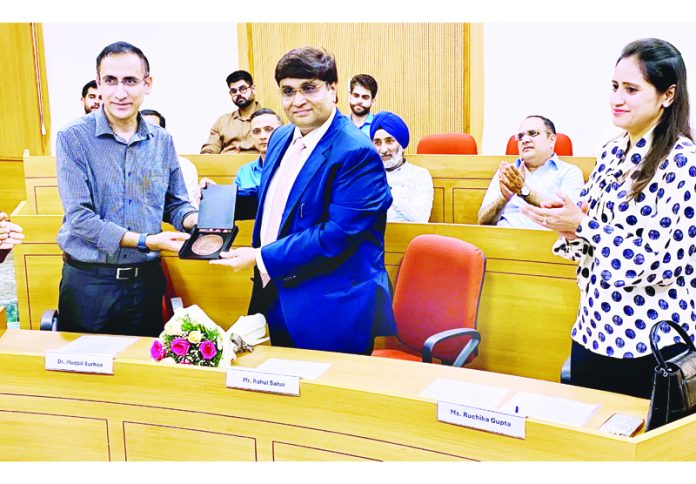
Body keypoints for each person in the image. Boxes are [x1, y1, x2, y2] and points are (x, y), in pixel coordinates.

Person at [521, 38, 696, 398]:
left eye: (631, 89)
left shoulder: (683, 162)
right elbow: (587, 235)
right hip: (593, 329)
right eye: (614, 87)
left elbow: (656, 263)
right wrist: (565, 223)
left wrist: (582, 225)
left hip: (651, 341)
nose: (617, 99)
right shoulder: (612, 149)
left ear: (668, 95)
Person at [211, 46, 396, 355]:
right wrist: (214, 205)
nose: (297, 101)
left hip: (332, 305)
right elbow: (279, 196)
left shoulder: (356, 151)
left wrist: (259, 257)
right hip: (277, 290)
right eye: (288, 91)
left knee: (328, 398)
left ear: (333, 88)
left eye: (308, 88)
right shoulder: (282, 136)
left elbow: (338, 234)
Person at [56, 41, 198, 337]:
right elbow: (80, 219)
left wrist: (195, 220)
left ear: (147, 84)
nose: (120, 92)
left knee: (143, 373)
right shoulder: (73, 138)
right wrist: (147, 241)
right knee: (85, 375)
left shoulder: (162, 140)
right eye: (110, 81)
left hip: (145, 283)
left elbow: (175, 203)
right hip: (90, 282)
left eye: (131, 81)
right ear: (99, 84)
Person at [478, 115, 584, 229]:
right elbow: (483, 221)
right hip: (503, 240)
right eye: (520, 136)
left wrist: (524, 191)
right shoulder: (508, 173)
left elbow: (568, 217)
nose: (525, 140)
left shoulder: (570, 172)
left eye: (533, 133)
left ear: (551, 140)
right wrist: (504, 198)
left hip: (546, 243)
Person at [370, 111, 433, 223]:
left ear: (402, 145)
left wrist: (387, 190)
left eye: (389, 141)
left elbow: (421, 218)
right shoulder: (366, 176)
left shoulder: (419, 175)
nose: (383, 150)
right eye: (377, 143)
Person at [141, 108, 200, 208]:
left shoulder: (184, 166)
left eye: (154, 130)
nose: (147, 135)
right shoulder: (121, 164)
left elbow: (183, 208)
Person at [200, 70, 262, 154]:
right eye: (234, 91)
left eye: (242, 89)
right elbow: (212, 146)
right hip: (224, 166)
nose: (238, 94)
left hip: (258, 165)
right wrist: (207, 154)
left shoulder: (269, 119)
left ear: (253, 89)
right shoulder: (222, 121)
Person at [234, 108, 282, 191]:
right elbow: (233, 201)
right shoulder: (245, 172)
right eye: (256, 131)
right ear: (251, 136)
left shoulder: (292, 166)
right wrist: (214, 189)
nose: (262, 136)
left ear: (282, 132)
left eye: (268, 129)